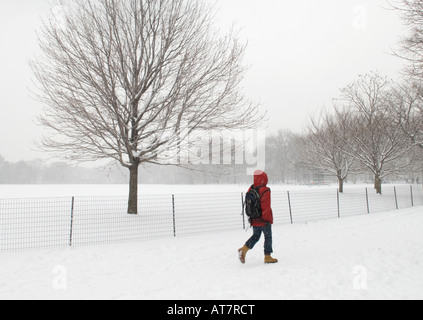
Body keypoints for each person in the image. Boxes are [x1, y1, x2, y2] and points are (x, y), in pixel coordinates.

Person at [238, 170, 278, 264]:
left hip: (254, 218)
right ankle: (267, 256)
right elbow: (266, 206)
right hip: (263, 219)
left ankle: (244, 249)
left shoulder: (251, 188)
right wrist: (267, 219)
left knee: (256, 236)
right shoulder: (265, 190)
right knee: (268, 237)